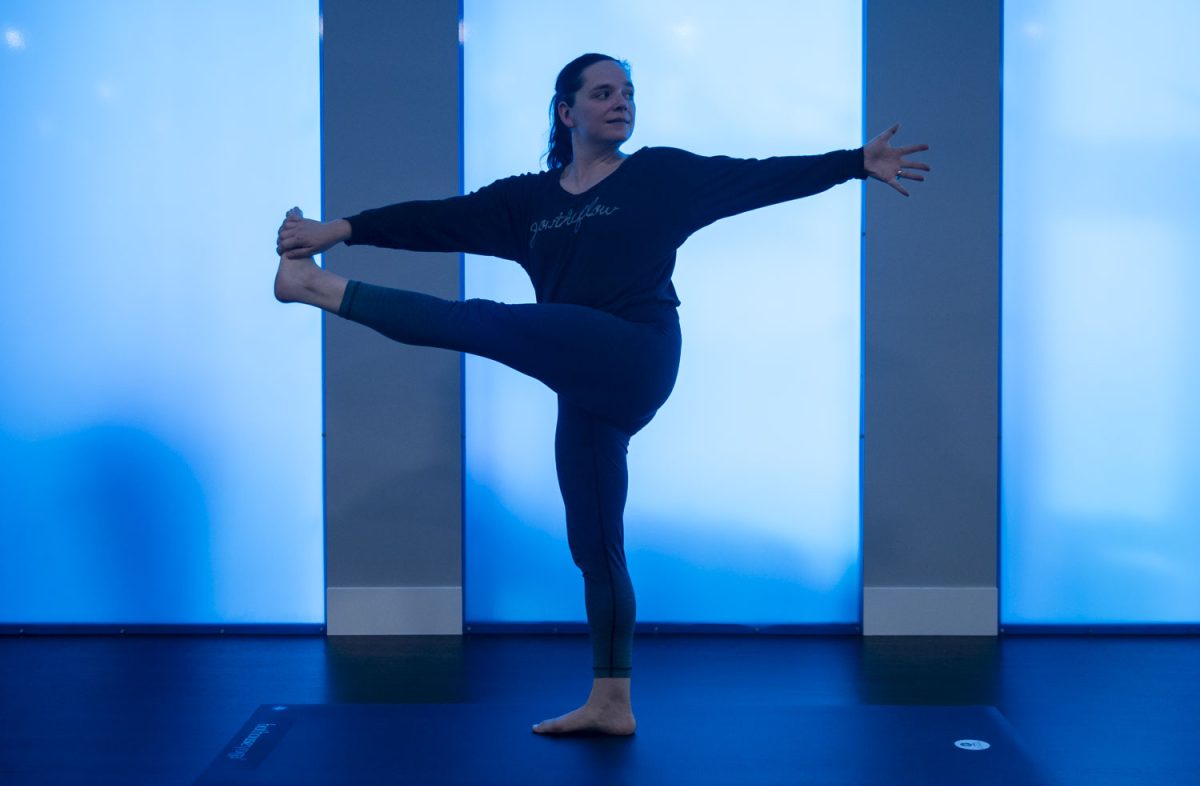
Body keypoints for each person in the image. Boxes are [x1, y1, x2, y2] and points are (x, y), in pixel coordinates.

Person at [275, 53, 930, 737]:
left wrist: (855, 161)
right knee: (594, 542)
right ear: (567, 111)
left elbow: (757, 177)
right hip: (579, 375)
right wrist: (340, 228)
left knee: (484, 321)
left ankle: (314, 286)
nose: (621, 102)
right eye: (603, 92)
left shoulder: (662, 176)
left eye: (628, 93)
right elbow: (437, 220)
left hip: (637, 353)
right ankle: (611, 701)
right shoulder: (524, 203)